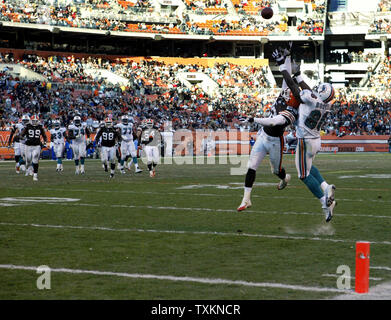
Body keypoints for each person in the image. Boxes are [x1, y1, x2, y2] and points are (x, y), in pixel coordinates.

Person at [273, 48, 336, 222]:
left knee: (303, 175)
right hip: (316, 140)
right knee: (308, 168)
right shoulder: (325, 104)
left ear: (321, 91)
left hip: (305, 141)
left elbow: (295, 89)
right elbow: (308, 91)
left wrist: (282, 67)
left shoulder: (311, 98)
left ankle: (325, 202)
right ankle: (326, 187)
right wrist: (299, 75)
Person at [237, 49, 299, 212]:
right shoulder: (286, 95)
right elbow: (287, 77)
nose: (290, 92)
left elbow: (272, 122)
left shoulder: (292, 112)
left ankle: (285, 178)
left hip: (275, 142)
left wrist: (253, 119)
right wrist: (288, 55)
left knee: (275, 170)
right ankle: (246, 199)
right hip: (263, 136)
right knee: (251, 166)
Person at [20, 115, 48, 181]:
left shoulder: (40, 127)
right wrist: (22, 137)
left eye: (36, 121)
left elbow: (44, 135)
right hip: (28, 146)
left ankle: (35, 175)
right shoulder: (27, 126)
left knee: (35, 158)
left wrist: (45, 141)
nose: (34, 122)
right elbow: (21, 134)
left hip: (37, 145)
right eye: (33, 121)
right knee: (28, 160)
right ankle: (28, 169)